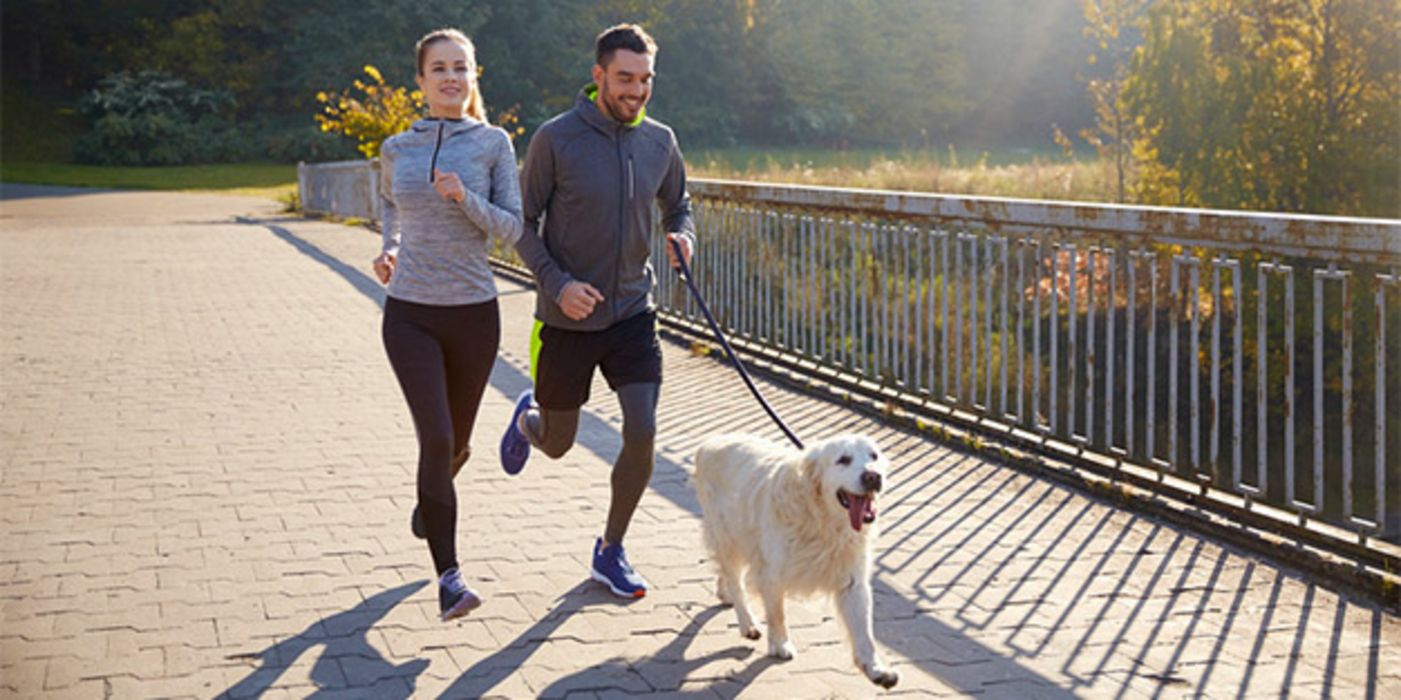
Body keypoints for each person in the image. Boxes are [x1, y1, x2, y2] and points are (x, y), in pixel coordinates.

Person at [499, 23, 695, 599]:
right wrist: (558, 285)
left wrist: (683, 235)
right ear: (599, 76)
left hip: (634, 310)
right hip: (567, 320)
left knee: (643, 431)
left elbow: (678, 204)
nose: (636, 91)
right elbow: (520, 226)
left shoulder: (660, 140)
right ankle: (527, 419)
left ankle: (610, 550)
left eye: (645, 80)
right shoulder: (555, 140)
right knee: (558, 443)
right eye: (625, 78)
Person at [374, 28, 523, 622]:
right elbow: (389, 203)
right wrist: (389, 247)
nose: (451, 78)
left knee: (455, 446)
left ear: (473, 76)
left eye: (461, 68)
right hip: (409, 313)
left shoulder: (493, 144)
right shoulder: (396, 147)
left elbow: (511, 228)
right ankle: (450, 579)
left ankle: (429, 500)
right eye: (439, 68)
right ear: (421, 80)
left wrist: (466, 199)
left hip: (473, 316)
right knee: (435, 439)